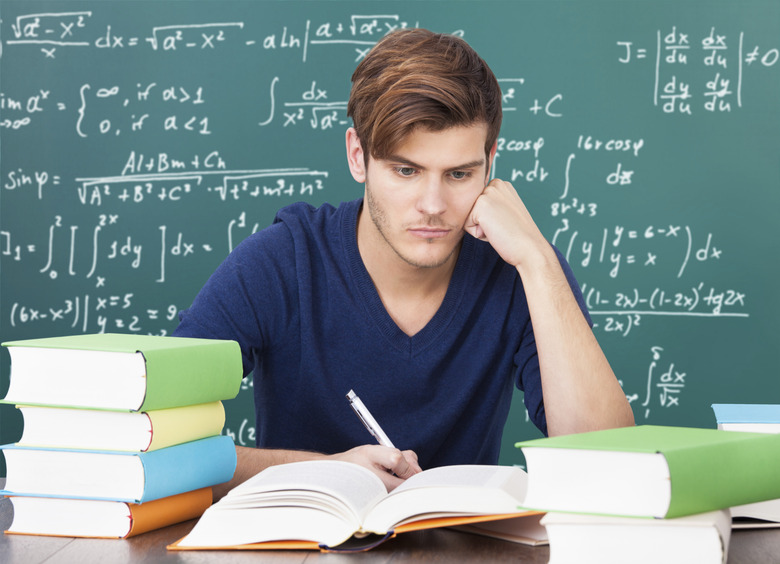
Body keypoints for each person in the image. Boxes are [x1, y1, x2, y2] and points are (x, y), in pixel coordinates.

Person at [173, 28, 634, 499]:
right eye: (406, 170)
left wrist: (537, 261)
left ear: (489, 163)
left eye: (459, 174)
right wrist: (324, 472)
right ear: (359, 156)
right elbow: (155, 447)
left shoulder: (520, 267)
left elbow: (608, 462)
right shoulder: (280, 263)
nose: (432, 204)